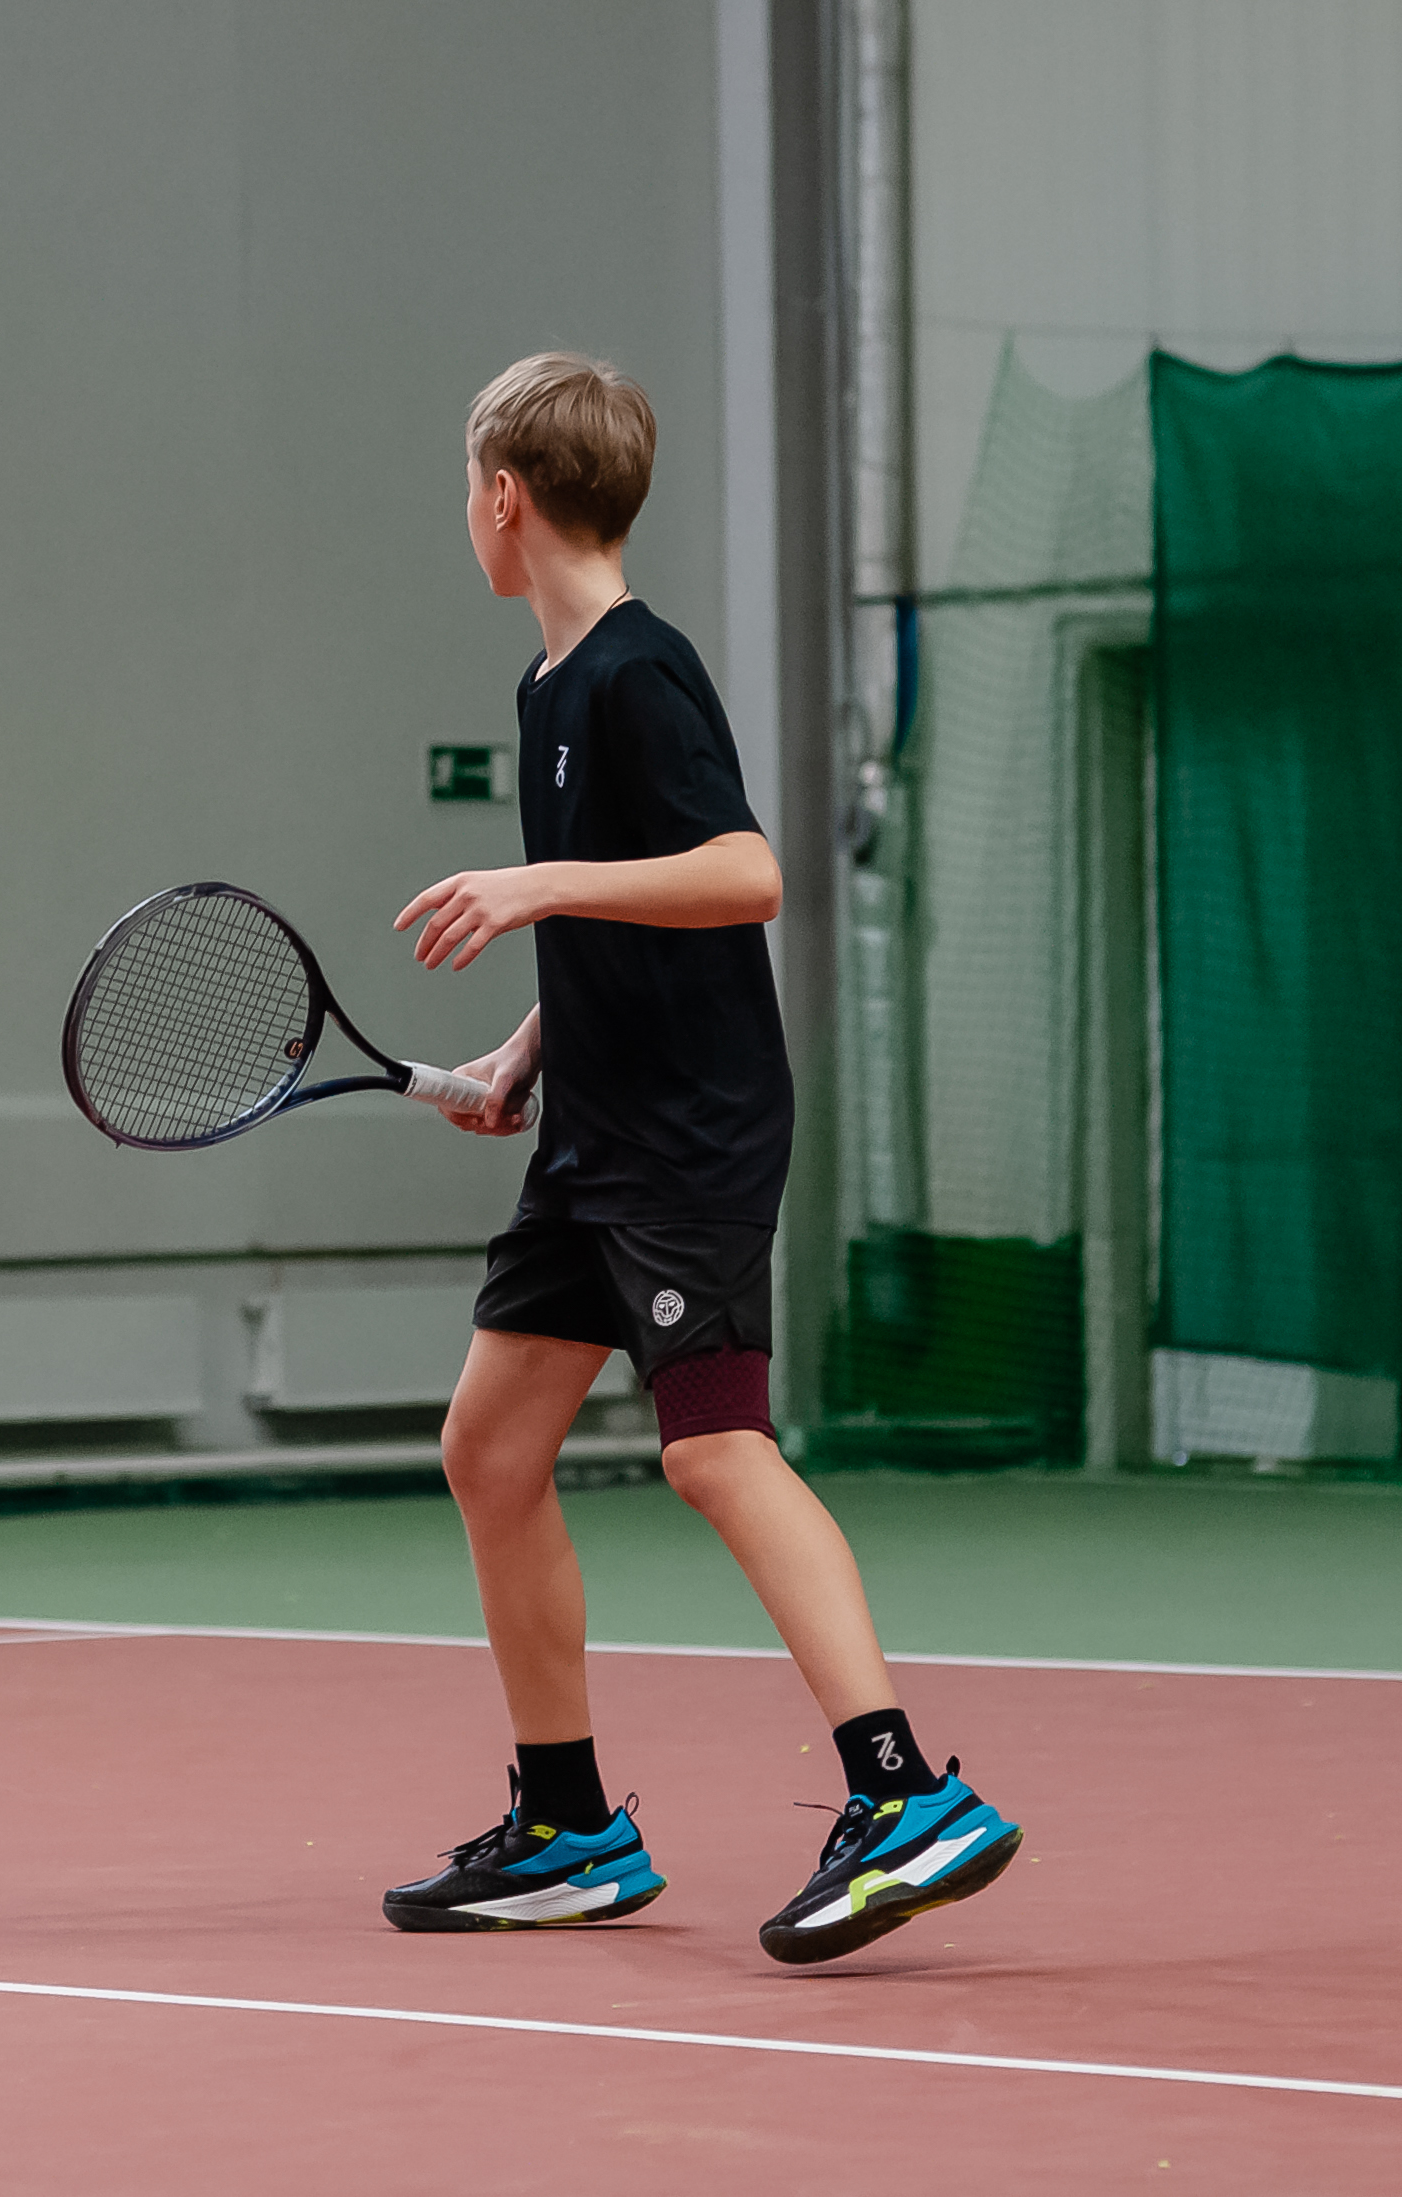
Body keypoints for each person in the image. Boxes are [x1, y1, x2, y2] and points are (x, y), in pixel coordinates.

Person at [378, 354, 1020, 1963]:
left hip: (689, 1135)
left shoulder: (637, 673)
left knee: (713, 1448)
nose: (466, 513)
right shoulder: (547, 688)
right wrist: (527, 1049)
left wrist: (533, 890)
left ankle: (905, 1796)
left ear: (504, 496)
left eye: (466, 488)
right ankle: (568, 1827)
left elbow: (742, 874)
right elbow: (624, 911)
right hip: (594, 1128)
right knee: (489, 1448)